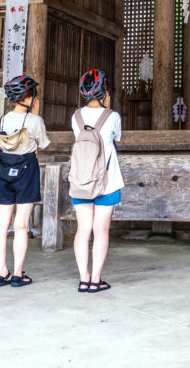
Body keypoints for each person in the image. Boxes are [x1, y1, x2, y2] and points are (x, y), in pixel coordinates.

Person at [0, 74, 50, 288]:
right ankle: (17, 274)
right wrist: (35, 114)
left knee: (1, 225)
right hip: (27, 172)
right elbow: (43, 144)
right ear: (29, 97)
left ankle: (1, 272)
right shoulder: (35, 121)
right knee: (21, 225)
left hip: (4, 172)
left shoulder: (2, 119)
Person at [71, 68, 124, 293]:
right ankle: (96, 279)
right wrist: (108, 106)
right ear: (104, 92)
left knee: (83, 230)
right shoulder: (112, 117)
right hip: (108, 181)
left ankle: (83, 279)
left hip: (81, 181)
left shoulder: (76, 117)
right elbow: (117, 138)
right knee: (101, 231)